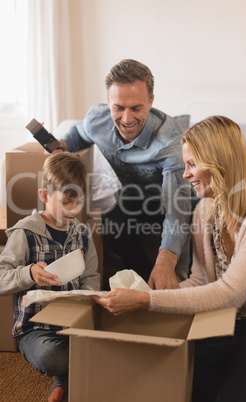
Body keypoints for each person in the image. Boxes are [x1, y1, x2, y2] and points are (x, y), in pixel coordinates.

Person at [91, 116, 246, 402]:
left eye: (192, 164)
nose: (185, 175)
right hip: (228, 322)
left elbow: (230, 293)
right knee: (174, 370)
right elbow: (200, 281)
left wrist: (145, 301)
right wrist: (145, 295)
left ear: (219, 162)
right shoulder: (205, 212)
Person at [57, 59, 192, 290]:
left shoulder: (170, 143)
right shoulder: (97, 118)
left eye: (136, 108)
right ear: (108, 101)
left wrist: (166, 260)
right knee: (112, 226)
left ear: (150, 101)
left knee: (183, 258)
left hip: (175, 201)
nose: (127, 119)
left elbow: (177, 209)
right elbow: (80, 133)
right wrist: (63, 144)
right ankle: (142, 280)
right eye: (119, 107)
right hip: (134, 196)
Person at [0, 153, 100, 402]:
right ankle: (67, 378)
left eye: (79, 203)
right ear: (44, 196)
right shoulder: (25, 232)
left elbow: (91, 276)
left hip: (74, 326)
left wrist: (89, 295)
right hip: (35, 331)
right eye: (67, 202)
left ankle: (63, 382)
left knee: (109, 347)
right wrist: (29, 273)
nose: (74, 210)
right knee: (52, 357)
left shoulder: (82, 234)